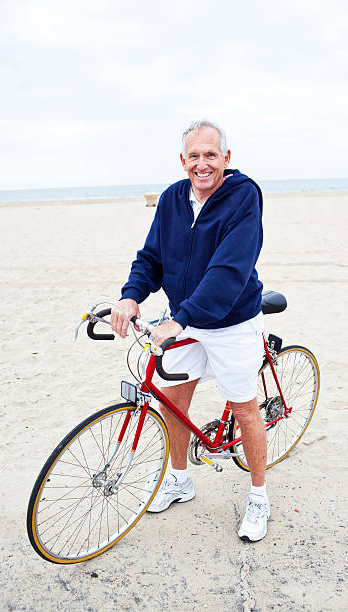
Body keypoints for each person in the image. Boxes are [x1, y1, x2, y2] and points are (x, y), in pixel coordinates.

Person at [110, 120, 270, 541]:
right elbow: (151, 257)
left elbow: (228, 270)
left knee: (244, 409)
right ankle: (179, 479)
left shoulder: (243, 197)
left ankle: (258, 496)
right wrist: (131, 296)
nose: (202, 164)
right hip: (182, 315)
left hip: (230, 320)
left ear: (226, 159)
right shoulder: (171, 199)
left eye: (210, 155)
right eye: (194, 156)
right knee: (172, 403)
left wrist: (181, 319)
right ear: (184, 160)